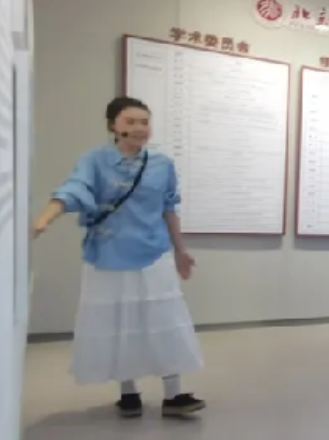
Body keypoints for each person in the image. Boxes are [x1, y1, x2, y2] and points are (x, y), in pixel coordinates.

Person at [31, 96, 205, 419]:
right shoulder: (94, 160)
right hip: (108, 254)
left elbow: (169, 208)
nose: (139, 128)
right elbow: (73, 190)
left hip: (153, 252)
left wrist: (181, 250)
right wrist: (44, 219)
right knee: (118, 322)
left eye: (145, 122)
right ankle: (128, 393)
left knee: (164, 321)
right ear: (113, 126)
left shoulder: (162, 164)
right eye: (131, 122)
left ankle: (174, 394)